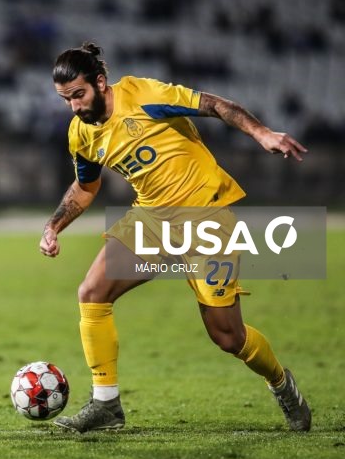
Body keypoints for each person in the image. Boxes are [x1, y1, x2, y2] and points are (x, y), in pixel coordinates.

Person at [40, 42, 311, 432]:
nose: (75, 107)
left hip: (205, 216)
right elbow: (85, 187)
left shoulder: (144, 95)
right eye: (66, 100)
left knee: (227, 336)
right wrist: (53, 226)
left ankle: (282, 385)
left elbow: (216, 104)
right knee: (92, 293)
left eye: (79, 95)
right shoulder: (80, 134)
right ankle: (106, 405)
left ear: (101, 82)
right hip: (153, 219)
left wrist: (262, 133)